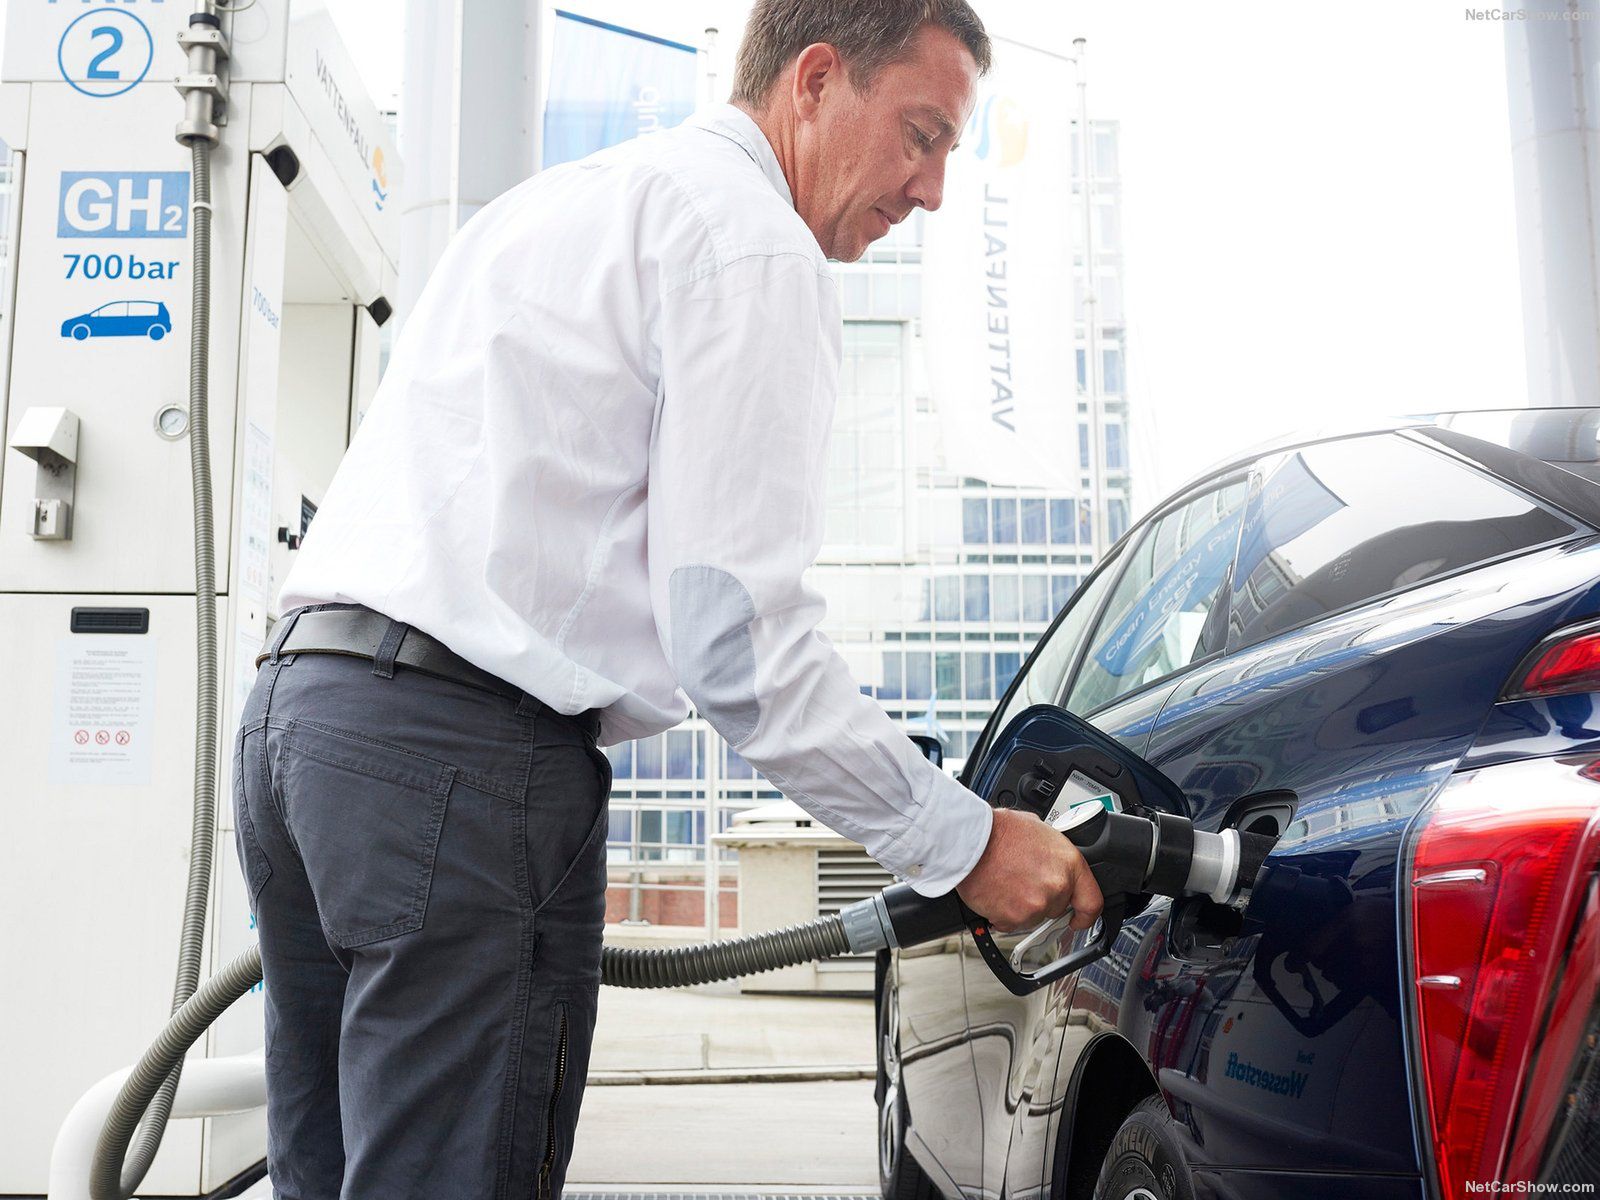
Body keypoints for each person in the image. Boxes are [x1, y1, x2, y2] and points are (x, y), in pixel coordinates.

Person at [232, 1, 1105, 1196]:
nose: (934, 189)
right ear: (812, 81)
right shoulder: (748, 243)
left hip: (302, 726)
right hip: (459, 765)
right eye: (920, 133)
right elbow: (737, 649)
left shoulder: (554, 204)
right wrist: (963, 843)